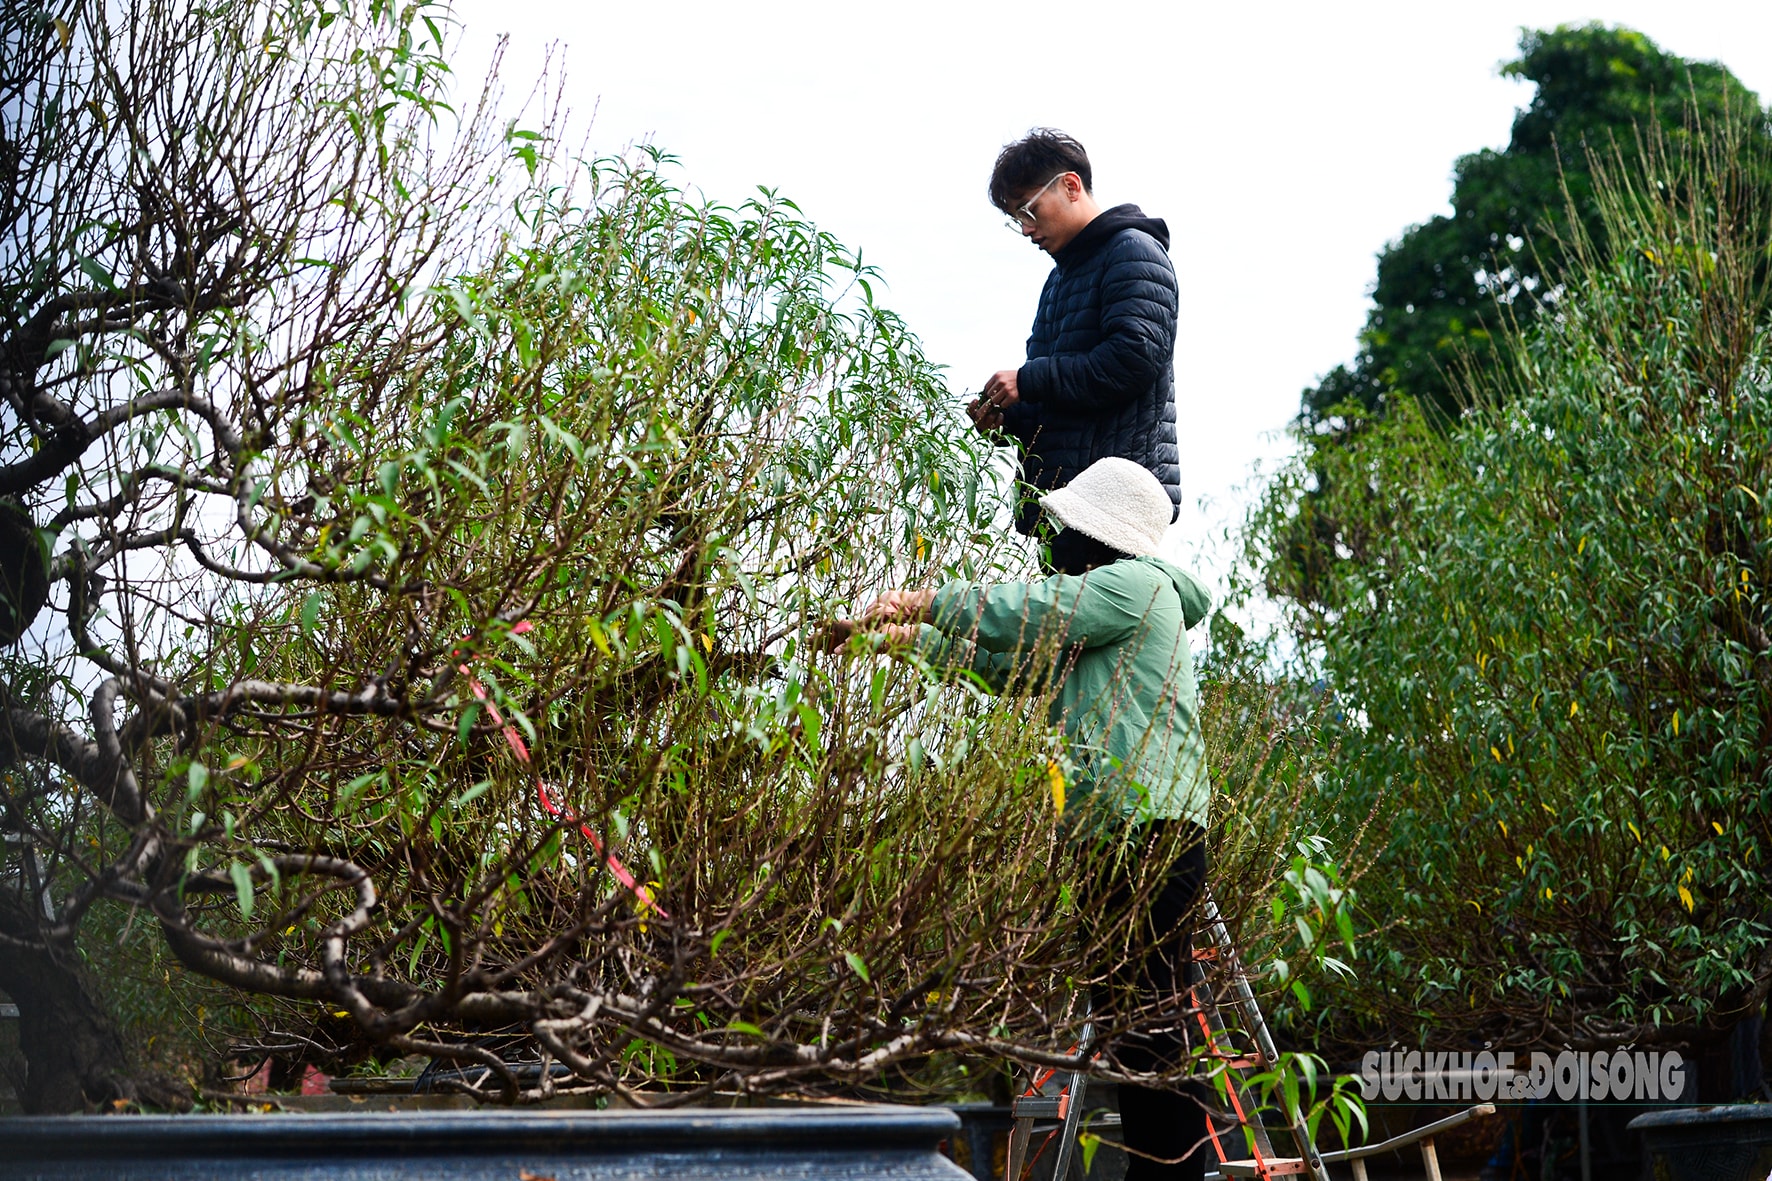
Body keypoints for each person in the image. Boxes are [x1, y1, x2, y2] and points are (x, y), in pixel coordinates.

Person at [829, 457, 1213, 1181]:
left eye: (1067, 527)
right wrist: (902, 641)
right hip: (1113, 829)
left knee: (1152, 1022)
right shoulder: (1100, 614)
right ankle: (1158, 1170)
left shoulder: (1133, 586)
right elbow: (1016, 666)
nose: (1055, 540)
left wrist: (922, 599)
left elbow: (1028, 611)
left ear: (1098, 533)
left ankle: (1172, 1173)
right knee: (1127, 1022)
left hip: (1149, 826)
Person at [971, 129, 1181, 542]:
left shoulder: (1133, 251)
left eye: (1028, 210)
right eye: (1016, 219)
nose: (1027, 229)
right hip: (1066, 506)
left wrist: (1027, 380)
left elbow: (1131, 360)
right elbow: (1062, 395)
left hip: (1115, 509)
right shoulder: (1059, 280)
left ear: (1070, 186)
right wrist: (1006, 417)